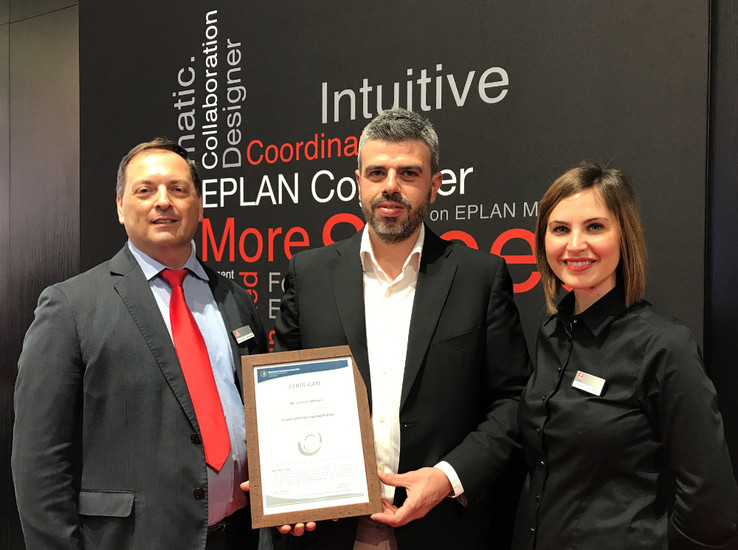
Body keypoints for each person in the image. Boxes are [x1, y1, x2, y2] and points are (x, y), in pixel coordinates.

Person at [272, 108, 531, 550]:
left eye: (409, 173)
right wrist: (286, 487)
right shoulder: (308, 274)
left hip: (441, 527)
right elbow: (283, 398)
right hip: (331, 531)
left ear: (435, 184)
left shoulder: (479, 277)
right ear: (358, 181)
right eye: (377, 172)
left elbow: (513, 401)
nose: (390, 185)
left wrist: (447, 477)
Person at [12, 138, 267, 550]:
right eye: (145, 190)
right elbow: (39, 461)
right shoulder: (70, 306)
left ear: (199, 205)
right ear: (120, 206)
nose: (163, 201)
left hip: (240, 536)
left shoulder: (235, 299)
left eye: (178, 189)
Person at [513, 162, 738, 549]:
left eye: (594, 227)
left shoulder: (664, 345)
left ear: (624, 236)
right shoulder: (551, 334)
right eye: (560, 229)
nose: (575, 245)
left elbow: (711, 504)